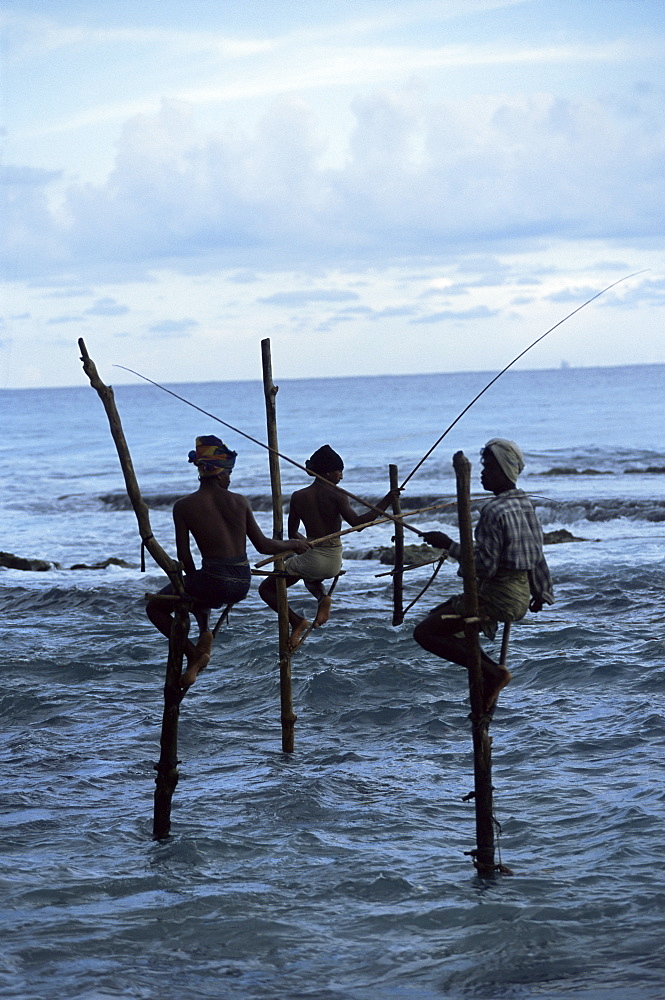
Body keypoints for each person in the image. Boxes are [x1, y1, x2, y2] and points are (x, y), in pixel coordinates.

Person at [146, 435, 309, 688]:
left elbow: (184, 556)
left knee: (156, 607)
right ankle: (204, 634)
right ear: (221, 475)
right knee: (200, 585)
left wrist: (190, 586)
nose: (230, 479)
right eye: (229, 474)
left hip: (213, 580)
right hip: (241, 583)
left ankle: (195, 653)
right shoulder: (239, 501)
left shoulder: (183, 506)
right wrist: (294, 545)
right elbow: (264, 546)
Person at [413, 438, 554, 712]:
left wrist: (449, 545)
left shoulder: (493, 510)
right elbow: (535, 553)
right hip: (520, 595)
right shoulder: (525, 503)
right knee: (441, 616)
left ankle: (492, 673)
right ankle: (489, 675)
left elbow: (485, 567)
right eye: (482, 466)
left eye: (489, 467)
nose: (482, 473)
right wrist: (541, 591)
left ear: (504, 470)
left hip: (497, 597)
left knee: (425, 632)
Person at [258, 444, 397, 650]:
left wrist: (303, 541)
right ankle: (322, 598)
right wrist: (387, 500)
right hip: (332, 559)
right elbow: (358, 524)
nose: (341, 477)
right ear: (327, 472)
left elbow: (292, 533)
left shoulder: (298, 496)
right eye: (338, 471)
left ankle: (297, 621)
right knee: (305, 571)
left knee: (266, 589)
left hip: (313, 557)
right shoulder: (338, 495)